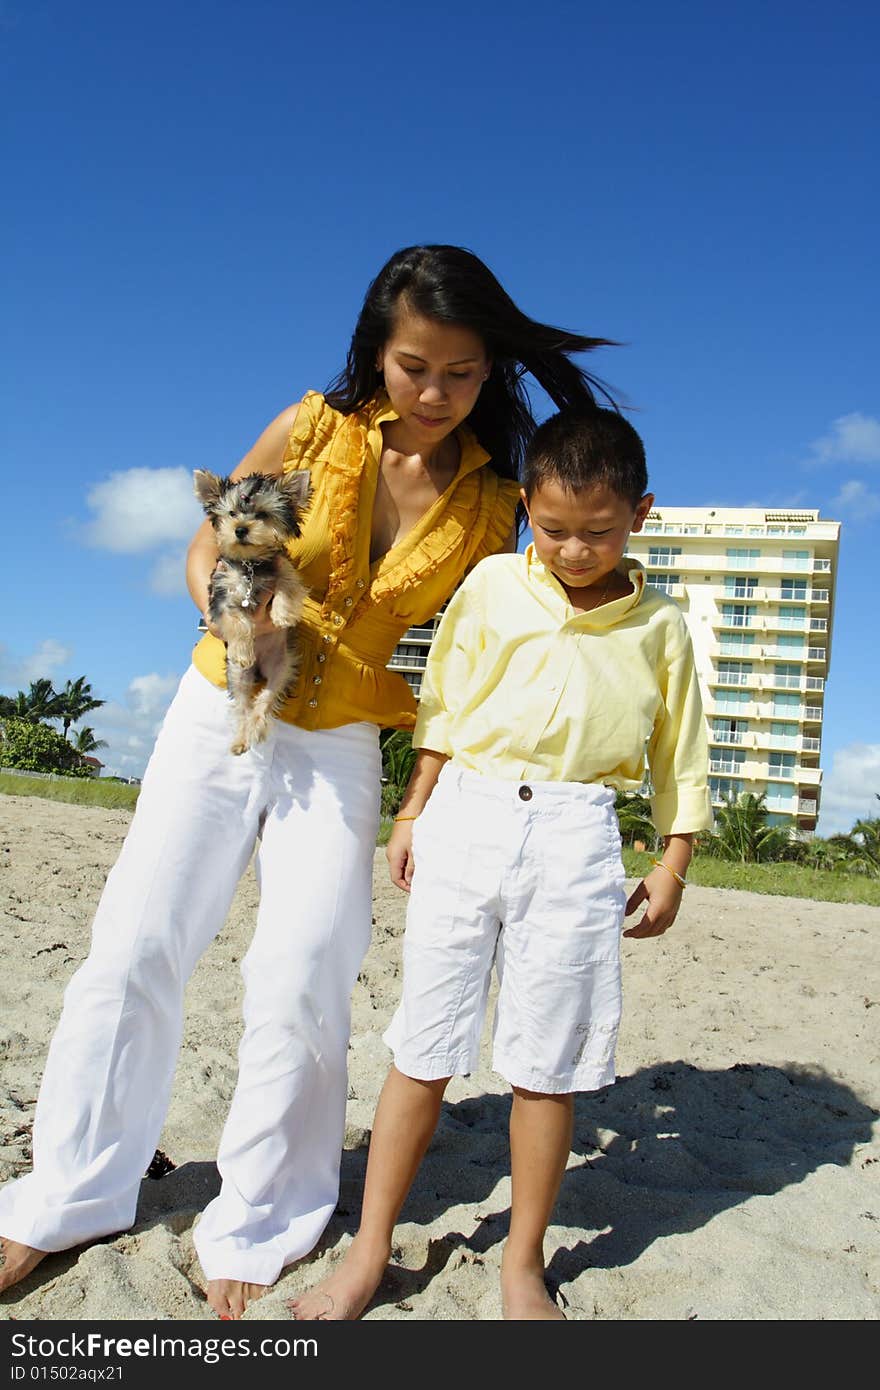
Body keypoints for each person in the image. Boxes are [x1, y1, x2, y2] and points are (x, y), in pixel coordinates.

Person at [0, 245, 616, 1320]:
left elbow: (527, 612)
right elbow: (210, 544)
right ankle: (66, 1194)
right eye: (414, 365)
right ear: (378, 351)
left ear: (489, 372)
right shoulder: (310, 428)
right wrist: (225, 614)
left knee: (302, 972)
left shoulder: (493, 500)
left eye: (461, 372)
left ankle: (266, 1215)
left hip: (340, 742)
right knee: (138, 943)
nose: (433, 393)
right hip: (220, 704)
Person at [289, 406, 713, 1322]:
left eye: (598, 532)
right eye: (553, 529)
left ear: (640, 513)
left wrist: (673, 862)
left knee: (545, 1064)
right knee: (424, 1044)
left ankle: (521, 1264)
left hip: (577, 833)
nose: (572, 549)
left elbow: (681, 750)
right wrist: (413, 810)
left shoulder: (662, 626)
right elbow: (444, 702)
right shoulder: (489, 584)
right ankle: (370, 1251)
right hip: (469, 812)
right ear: (527, 505)